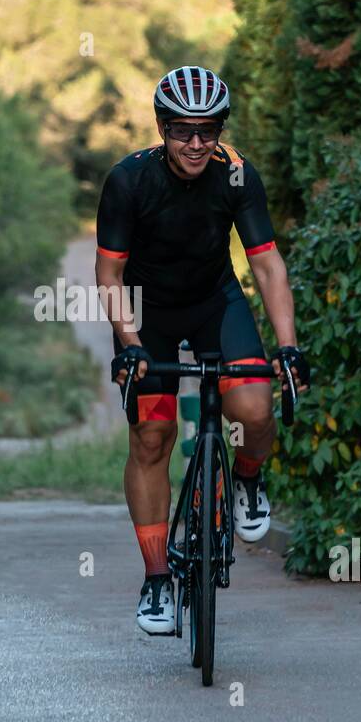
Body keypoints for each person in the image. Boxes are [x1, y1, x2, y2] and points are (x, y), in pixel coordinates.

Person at [95, 65, 309, 635]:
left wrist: (288, 349)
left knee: (257, 409)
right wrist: (131, 347)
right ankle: (158, 579)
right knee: (151, 435)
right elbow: (109, 277)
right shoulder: (128, 181)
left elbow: (266, 264)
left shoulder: (237, 177)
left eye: (208, 131)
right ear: (162, 128)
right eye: (183, 131)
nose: (195, 144)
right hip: (147, 313)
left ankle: (245, 478)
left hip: (215, 302)